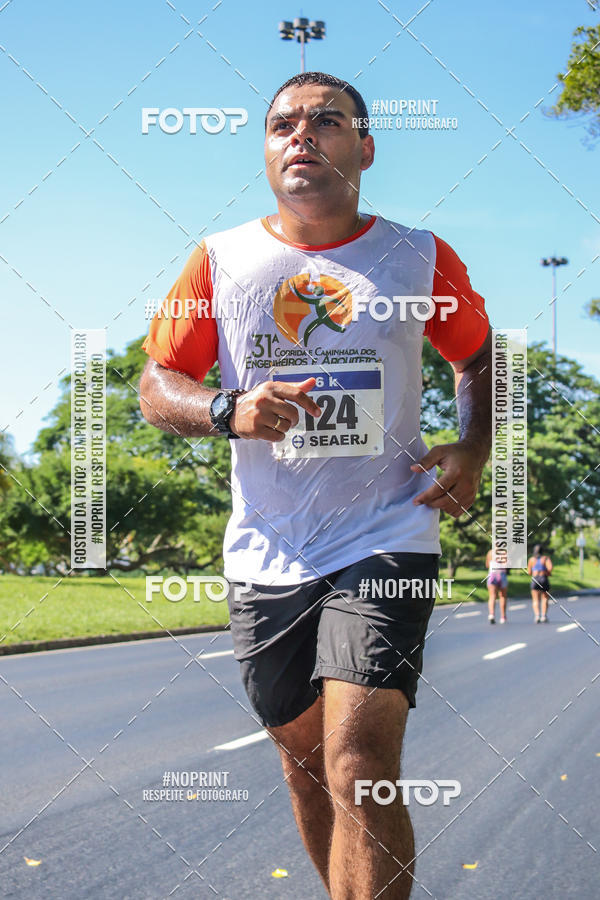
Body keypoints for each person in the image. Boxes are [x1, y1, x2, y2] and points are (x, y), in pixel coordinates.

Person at [139, 71, 492, 900]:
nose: (302, 135)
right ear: (266, 152)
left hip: (386, 533)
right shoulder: (221, 260)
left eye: (326, 122)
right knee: (306, 766)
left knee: (358, 759)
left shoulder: (418, 256)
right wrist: (229, 408)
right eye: (282, 125)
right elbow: (158, 385)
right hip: (269, 548)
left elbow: (475, 353)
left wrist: (471, 446)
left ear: (364, 148)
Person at [528, 544, 553, 623]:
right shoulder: (545, 559)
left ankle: (537, 615)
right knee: (544, 598)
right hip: (543, 579)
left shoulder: (531, 559)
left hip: (535, 579)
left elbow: (529, 572)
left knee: (535, 599)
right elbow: (550, 568)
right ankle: (543, 616)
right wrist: (547, 573)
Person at [485, 549, 508, 624]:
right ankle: (503, 617)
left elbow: (487, 565)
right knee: (502, 596)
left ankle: (492, 614)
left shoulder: (490, 553)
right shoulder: (504, 553)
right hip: (501, 574)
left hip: (492, 574)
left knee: (492, 596)